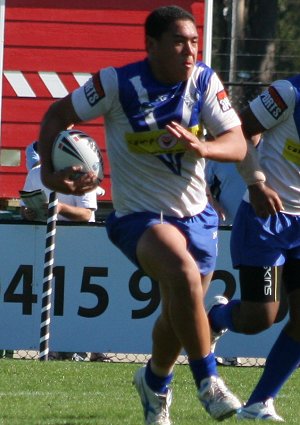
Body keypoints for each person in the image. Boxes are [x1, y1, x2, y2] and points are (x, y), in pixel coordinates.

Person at [37, 6, 247, 423]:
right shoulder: (116, 83)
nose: (189, 51)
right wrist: (49, 173)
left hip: (198, 216)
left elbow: (237, 143)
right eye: (178, 42)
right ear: (151, 46)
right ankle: (208, 380)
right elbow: (57, 114)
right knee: (183, 275)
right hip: (140, 217)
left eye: (193, 42)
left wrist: (205, 148)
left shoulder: (203, 81)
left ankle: (154, 383)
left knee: (177, 309)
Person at [208, 76, 300, 421]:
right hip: (265, 218)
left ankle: (260, 402)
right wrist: (257, 181)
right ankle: (216, 317)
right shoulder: (288, 93)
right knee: (262, 317)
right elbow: (240, 132)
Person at [21, 141, 109, 362]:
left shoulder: (82, 173)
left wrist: (59, 208)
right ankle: (57, 347)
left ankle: (91, 349)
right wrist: (28, 212)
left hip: (81, 244)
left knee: (84, 301)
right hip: (49, 243)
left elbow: (86, 214)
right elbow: (25, 204)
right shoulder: (35, 173)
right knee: (54, 298)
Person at [205, 160, 246, 226]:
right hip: (225, 226)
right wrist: (212, 202)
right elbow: (201, 185)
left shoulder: (264, 154)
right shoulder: (216, 159)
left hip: (260, 225)